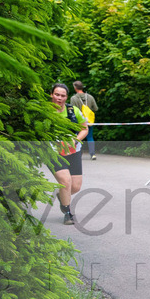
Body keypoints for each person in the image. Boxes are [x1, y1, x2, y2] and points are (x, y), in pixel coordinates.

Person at [50, 83, 89, 225]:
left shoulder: (73, 111)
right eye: (57, 94)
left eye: (63, 95)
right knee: (65, 181)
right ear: (51, 95)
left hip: (73, 150)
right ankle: (67, 213)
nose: (59, 98)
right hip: (53, 152)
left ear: (67, 97)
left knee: (75, 186)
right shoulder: (45, 111)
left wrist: (75, 140)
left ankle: (62, 195)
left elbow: (85, 129)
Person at [70, 81, 98, 160]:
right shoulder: (90, 97)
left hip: (79, 121)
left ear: (75, 88)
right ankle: (93, 154)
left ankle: (78, 154)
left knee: (79, 137)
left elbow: (72, 110)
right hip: (89, 121)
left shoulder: (73, 98)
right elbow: (96, 108)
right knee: (90, 137)